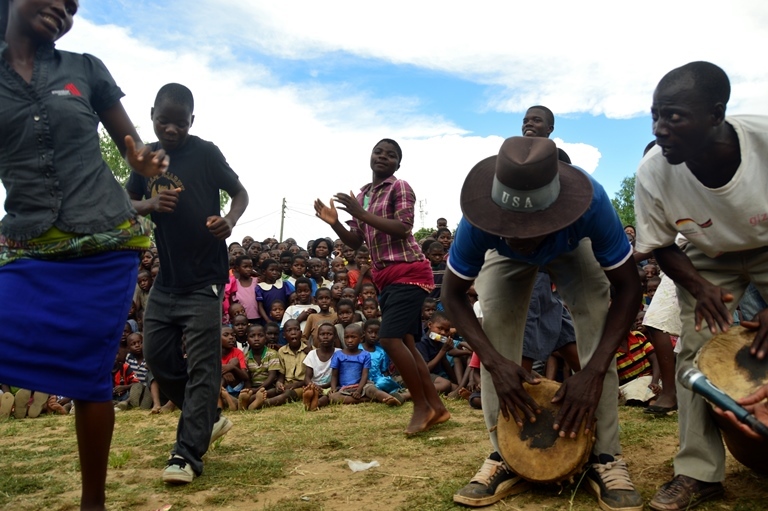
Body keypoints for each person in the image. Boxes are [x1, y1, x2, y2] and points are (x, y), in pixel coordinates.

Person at [0, 0, 167, 508]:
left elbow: (131, 145)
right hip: (29, 244)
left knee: (90, 376)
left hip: (106, 242)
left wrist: (141, 156)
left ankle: (92, 501)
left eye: (72, 7)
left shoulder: (85, 69)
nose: (63, 10)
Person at [442, 136, 642, 510]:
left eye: (531, 228)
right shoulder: (477, 218)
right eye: (512, 227)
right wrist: (494, 362)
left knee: (598, 323)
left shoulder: (592, 205)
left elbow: (629, 287)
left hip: (571, 244)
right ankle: (504, 455)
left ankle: (606, 458)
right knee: (497, 334)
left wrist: (594, 370)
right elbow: (451, 296)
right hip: (497, 253)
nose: (523, 238)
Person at [634, 61, 768, 511]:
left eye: (674, 116)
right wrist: (699, 287)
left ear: (716, 114)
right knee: (696, 349)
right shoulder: (654, 171)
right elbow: (658, 244)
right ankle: (698, 473)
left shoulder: (764, 141)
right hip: (709, 255)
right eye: (656, 115)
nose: (661, 128)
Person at [126, 82, 249, 485]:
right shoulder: (146, 158)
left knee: (202, 367)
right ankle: (208, 418)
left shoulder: (206, 153)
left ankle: (186, 454)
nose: (172, 130)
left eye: (180, 123)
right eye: (164, 121)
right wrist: (149, 204)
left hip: (205, 280)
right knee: (159, 358)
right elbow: (124, 203)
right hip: (167, 281)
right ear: (152, 116)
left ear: (191, 121)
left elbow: (240, 192)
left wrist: (229, 221)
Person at [315, 138, 450, 434]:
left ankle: (421, 406)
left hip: (409, 271)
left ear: (397, 164)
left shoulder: (399, 187)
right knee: (408, 345)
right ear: (370, 156)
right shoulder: (362, 195)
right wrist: (335, 223)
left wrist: (361, 214)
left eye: (391, 154)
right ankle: (437, 408)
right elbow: (354, 240)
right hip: (386, 277)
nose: (383, 156)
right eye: (379, 151)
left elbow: (403, 227)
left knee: (389, 340)